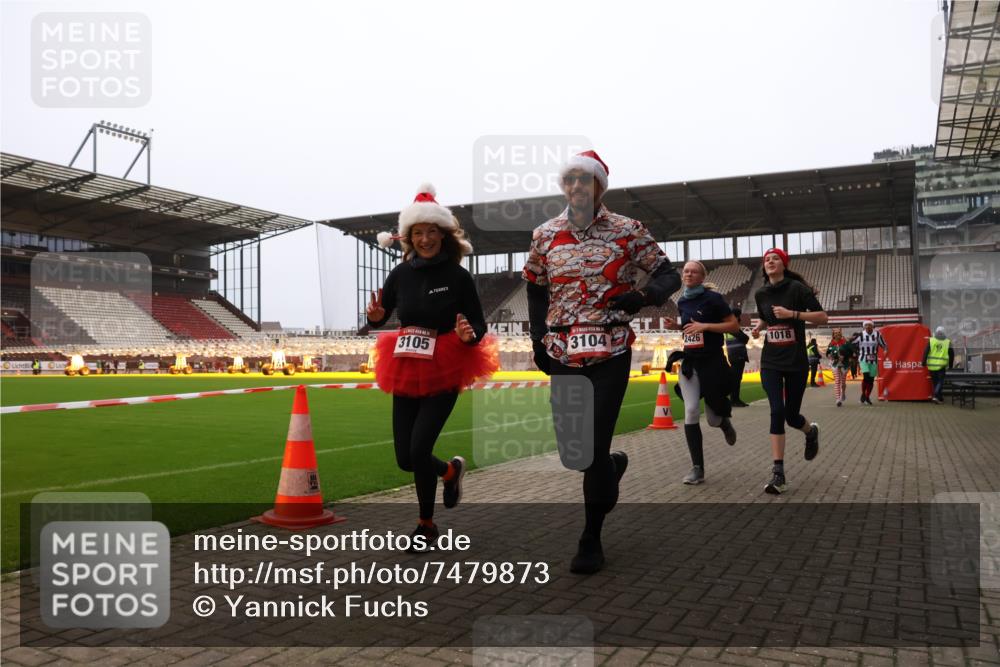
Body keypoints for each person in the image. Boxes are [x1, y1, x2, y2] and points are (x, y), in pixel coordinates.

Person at [524, 150, 680, 573]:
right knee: (575, 452)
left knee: (592, 447)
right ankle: (613, 467)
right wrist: (538, 338)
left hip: (611, 350)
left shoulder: (628, 231)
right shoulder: (544, 235)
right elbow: (536, 289)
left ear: (599, 187)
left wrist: (644, 296)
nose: (576, 186)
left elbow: (669, 274)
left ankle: (590, 537)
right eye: (569, 179)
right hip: (562, 352)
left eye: (584, 180)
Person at [368, 184, 500, 551]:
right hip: (407, 363)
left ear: (443, 234)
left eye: (431, 231)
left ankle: (425, 525)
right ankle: (450, 471)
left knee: (420, 446)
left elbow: (478, 324)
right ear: (408, 237)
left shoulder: (458, 276)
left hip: (445, 362)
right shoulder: (400, 273)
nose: (425, 239)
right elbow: (383, 313)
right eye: (418, 233)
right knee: (406, 459)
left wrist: (468, 335)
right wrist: (378, 318)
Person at [751, 248, 828, 495]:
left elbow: (822, 317)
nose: (770, 261)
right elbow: (766, 317)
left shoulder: (797, 289)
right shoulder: (761, 293)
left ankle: (810, 431)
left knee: (791, 416)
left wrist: (792, 314)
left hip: (795, 362)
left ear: (783, 264)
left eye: (775, 258)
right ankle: (778, 473)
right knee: (777, 410)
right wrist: (759, 327)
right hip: (771, 361)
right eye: (766, 259)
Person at [669, 261, 739, 485]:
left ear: (702, 276)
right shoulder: (681, 300)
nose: (688, 274)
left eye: (693, 271)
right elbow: (690, 328)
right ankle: (697, 468)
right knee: (690, 410)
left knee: (713, 419)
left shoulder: (714, 299)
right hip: (690, 362)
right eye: (685, 271)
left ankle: (724, 424)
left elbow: (733, 326)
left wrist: (706, 326)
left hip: (712, 362)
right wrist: (676, 327)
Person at [851, 320, 888, 405]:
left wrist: (885, 350)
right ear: (864, 326)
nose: (868, 327)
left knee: (871, 380)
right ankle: (863, 394)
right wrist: (855, 352)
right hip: (863, 358)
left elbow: (884, 345)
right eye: (866, 325)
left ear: (872, 326)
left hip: (873, 360)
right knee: (866, 376)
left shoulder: (877, 334)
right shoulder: (860, 335)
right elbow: (851, 344)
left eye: (869, 325)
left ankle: (867, 397)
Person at [724, 307, 750, 407]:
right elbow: (745, 338)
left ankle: (734, 399)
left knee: (736, 378)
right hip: (737, 355)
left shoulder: (730, 326)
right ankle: (734, 400)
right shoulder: (731, 326)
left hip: (735, 354)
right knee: (736, 378)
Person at [923, 326, 954, 404]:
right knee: (940, 382)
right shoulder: (948, 342)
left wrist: (923, 361)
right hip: (941, 366)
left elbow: (926, 352)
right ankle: (936, 395)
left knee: (935, 382)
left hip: (931, 366)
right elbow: (951, 354)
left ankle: (939, 398)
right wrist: (950, 365)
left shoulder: (931, 340)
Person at [826, 327, 855, 407]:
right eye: (835, 333)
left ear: (841, 334)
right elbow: (827, 353)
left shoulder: (845, 342)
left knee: (843, 382)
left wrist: (847, 357)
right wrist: (830, 356)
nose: (837, 335)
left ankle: (843, 393)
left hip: (844, 364)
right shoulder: (831, 343)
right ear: (833, 335)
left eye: (839, 333)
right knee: (837, 381)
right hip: (835, 364)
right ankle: (838, 399)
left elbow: (852, 352)